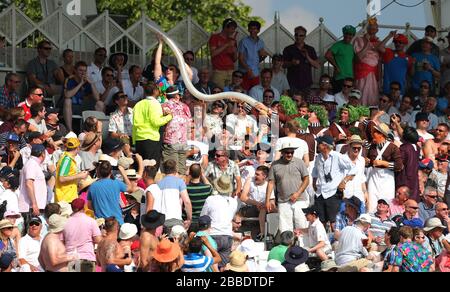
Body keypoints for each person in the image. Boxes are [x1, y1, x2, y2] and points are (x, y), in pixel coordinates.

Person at [312, 136, 356, 227]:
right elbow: (315, 171)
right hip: (320, 193)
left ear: (325, 146)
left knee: (334, 221)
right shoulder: (318, 157)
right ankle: (323, 241)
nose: (317, 146)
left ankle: (335, 241)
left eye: (319, 144)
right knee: (320, 222)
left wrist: (344, 181)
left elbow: (353, 168)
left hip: (333, 193)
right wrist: (314, 183)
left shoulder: (337, 156)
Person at [266, 141, 310, 233]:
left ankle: (302, 246)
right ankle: (287, 247)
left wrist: (298, 193)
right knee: (285, 228)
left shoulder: (299, 162)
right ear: (282, 152)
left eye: (291, 152)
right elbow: (270, 183)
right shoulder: (275, 165)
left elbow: (306, 179)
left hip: (300, 199)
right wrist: (267, 200)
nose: (289, 154)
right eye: (287, 152)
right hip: (283, 200)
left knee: (302, 226)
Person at [352, 18, 393, 106]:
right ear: (367, 28)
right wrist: (367, 42)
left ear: (377, 30)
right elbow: (358, 58)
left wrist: (389, 36)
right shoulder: (359, 40)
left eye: (375, 28)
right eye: (371, 27)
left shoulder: (377, 42)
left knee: (372, 98)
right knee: (361, 97)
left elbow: (379, 59)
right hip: (361, 74)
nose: (372, 30)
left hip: (373, 76)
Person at [201, 175, 238, 266]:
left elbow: (203, 217)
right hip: (227, 236)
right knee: (223, 267)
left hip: (212, 235)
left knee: (210, 266)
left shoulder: (210, 199)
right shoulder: (234, 202)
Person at [133, 84, 172, 169]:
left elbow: (134, 125)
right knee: (151, 168)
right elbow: (156, 122)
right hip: (151, 139)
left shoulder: (138, 104)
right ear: (155, 91)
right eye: (158, 89)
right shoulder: (155, 104)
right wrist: (169, 117)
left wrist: (134, 141)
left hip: (139, 139)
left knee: (140, 167)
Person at [366, 123, 403, 213]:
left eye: (375, 132)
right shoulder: (372, 147)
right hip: (373, 177)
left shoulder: (393, 147)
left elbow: (399, 166)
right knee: (372, 202)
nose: (372, 134)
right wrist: (368, 161)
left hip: (387, 178)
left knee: (387, 201)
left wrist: (384, 163)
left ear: (381, 134)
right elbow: (369, 161)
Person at [63, 198, 102, 272]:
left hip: (71, 259)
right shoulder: (90, 221)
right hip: (86, 257)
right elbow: (98, 240)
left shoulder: (65, 223)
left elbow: (62, 242)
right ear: (84, 207)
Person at [161, 86, 192, 176]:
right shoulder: (185, 106)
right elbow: (189, 123)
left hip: (171, 141)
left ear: (166, 96)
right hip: (183, 141)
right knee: (181, 171)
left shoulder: (164, 106)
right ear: (177, 96)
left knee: (171, 170)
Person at [62, 61, 100, 131]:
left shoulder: (88, 82)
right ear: (75, 71)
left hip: (83, 107)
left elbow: (97, 98)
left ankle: (97, 131)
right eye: (80, 70)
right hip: (71, 107)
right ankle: (70, 131)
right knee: (67, 100)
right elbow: (67, 95)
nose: (83, 73)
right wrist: (81, 84)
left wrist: (91, 84)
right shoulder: (70, 80)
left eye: (85, 71)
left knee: (100, 104)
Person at [240, 165, 275, 239]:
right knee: (262, 208)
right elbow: (243, 197)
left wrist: (265, 204)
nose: (255, 176)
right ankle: (262, 233)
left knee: (266, 208)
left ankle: (263, 233)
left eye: (257, 174)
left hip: (263, 208)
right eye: (255, 173)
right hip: (250, 207)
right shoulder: (250, 180)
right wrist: (257, 203)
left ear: (264, 176)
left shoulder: (269, 184)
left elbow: (272, 201)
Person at [157, 159, 192, 230]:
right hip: (176, 219)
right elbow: (187, 202)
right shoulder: (180, 182)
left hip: (162, 221)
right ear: (176, 169)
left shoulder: (158, 184)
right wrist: (189, 219)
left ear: (163, 169)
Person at [283, 26, 320, 92]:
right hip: (292, 83)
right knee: (293, 102)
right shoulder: (288, 49)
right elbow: (283, 65)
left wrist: (307, 57)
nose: (298, 37)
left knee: (306, 102)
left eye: (301, 35)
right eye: (296, 35)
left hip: (306, 83)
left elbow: (317, 66)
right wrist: (292, 63)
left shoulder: (310, 49)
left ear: (305, 36)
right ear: (294, 35)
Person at [18, 144, 48, 227]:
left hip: (33, 207)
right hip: (31, 207)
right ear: (43, 154)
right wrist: (34, 204)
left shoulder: (33, 164)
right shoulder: (32, 164)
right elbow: (29, 184)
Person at [238, 21, 270, 91]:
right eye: (251, 29)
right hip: (245, 72)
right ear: (248, 29)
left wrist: (264, 56)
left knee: (255, 93)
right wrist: (248, 69)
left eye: (255, 29)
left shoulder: (261, 42)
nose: (253, 31)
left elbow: (258, 59)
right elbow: (240, 58)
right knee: (244, 93)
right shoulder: (243, 41)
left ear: (258, 30)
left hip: (255, 73)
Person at [55, 138, 89, 203]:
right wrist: (79, 175)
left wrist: (79, 175)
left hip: (69, 196)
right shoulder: (66, 160)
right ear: (78, 148)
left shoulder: (68, 159)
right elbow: (61, 178)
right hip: (65, 198)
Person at [325, 25, 356, 93]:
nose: (348, 36)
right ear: (343, 34)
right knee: (338, 100)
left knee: (347, 101)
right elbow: (327, 55)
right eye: (346, 33)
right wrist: (336, 66)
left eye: (350, 34)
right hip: (340, 78)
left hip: (350, 79)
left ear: (353, 35)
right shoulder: (338, 45)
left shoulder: (352, 47)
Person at [209, 18, 238, 88]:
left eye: (234, 29)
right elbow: (213, 53)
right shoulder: (215, 37)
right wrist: (227, 45)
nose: (233, 31)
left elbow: (234, 59)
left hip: (231, 71)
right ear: (225, 28)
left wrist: (235, 52)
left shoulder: (233, 40)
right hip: (219, 71)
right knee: (218, 93)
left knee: (230, 95)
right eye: (232, 29)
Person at [395, 127, 420, 202]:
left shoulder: (405, 148)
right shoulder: (417, 147)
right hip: (414, 181)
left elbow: (399, 164)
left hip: (404, 180)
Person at [186, 164, 213, 231]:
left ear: (190, 173)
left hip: (189, 222)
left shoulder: (186, 189)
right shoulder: (207, 188)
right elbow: (211, 187)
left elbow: (184, 185)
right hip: (203, 222)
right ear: (200, 173)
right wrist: (202, 174)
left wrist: (187, 176)